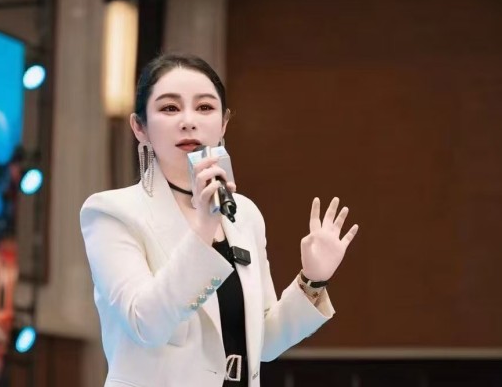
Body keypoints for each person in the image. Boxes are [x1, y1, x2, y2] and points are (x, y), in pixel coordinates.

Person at [80, 53, 359, 387]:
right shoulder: (112, 212)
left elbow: (264, 343)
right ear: (140, 128)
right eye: (169, 108)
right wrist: (203, 228)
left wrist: (312, 281)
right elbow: (146, 324)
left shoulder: (244, 214)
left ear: (223, 124)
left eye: (204, 107)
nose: (188, 121)